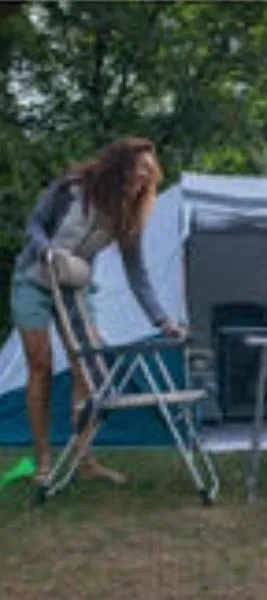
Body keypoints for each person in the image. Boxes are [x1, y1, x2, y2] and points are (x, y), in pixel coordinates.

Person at [10, 137, 185, 485]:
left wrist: (162, 320)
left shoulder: (127, 215)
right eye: (140, 173)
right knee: (40, 365)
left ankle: (84, 458)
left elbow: (138, 275)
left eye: (149, 177)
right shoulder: (73, 188)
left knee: (88, 368)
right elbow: (34, 225)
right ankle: (43, 461)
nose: (144, 183)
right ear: (120, 167)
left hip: (75, 289)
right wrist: (48, 251)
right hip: (34, 281)